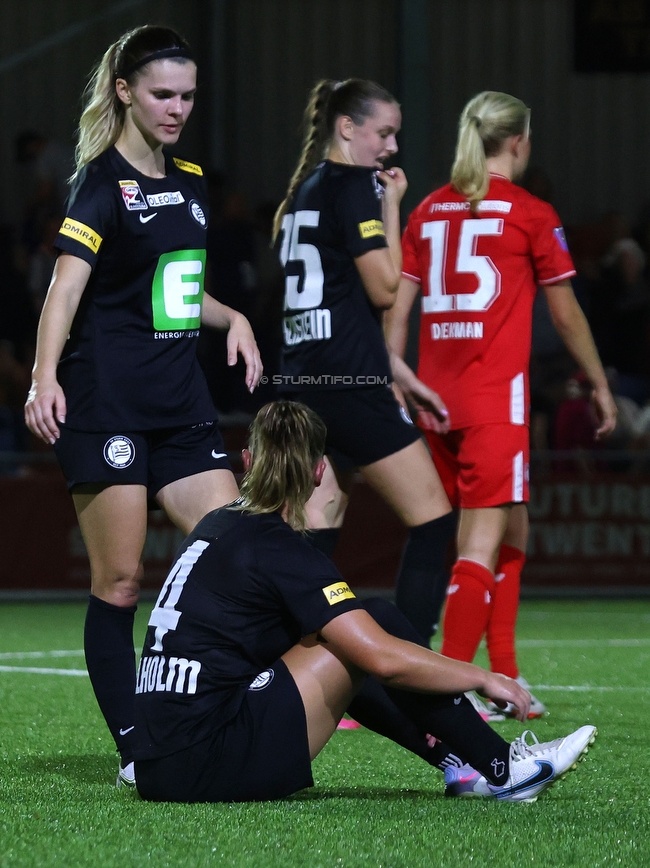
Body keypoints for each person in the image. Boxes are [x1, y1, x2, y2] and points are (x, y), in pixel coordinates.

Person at [132, 400, 596, 803]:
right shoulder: (281, 548)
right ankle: (502, 769)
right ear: (319, 473)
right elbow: (382, 657)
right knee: (372, 624)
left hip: (157, 765)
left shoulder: (215, 524)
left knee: (343, 636)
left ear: (248, 461)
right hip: (206, 761)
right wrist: (483, 676)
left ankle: (465, 765)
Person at [23, 25, 262, 786]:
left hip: (181, 403)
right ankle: (137, 746)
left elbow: (180, 296)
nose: (177, 108)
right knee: (121, 582)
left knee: (237, 554)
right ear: (125, 90)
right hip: (108, 405)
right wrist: (43, 376)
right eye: (163, 93)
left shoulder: (188, 176)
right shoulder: (100, 183)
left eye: (188, 96)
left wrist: (238, 319)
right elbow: (65, 288)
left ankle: (226, 705)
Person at [385, 91, 617, 718]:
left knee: (511, 530)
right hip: (494, 401)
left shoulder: (428, 210)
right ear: (518, 141)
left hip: (432, 400)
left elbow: (397, 311)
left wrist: (395, 374)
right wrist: (597, 382)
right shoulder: (531, 213)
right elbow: (566, 314)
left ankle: (506, 672)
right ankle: (459, 691)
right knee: (478, 546)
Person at [273, 78, 456, 646]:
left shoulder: (305, 189)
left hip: (306, 385)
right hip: (350, 387)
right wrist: (393, 204)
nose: (392, 146)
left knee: (313, 537)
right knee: (435, 523)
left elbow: (331, 304)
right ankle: (415, 675)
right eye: (384, 132)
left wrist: (398, 371)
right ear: (347, 128)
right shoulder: (355, 186)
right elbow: (382, 291)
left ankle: (295, 668)